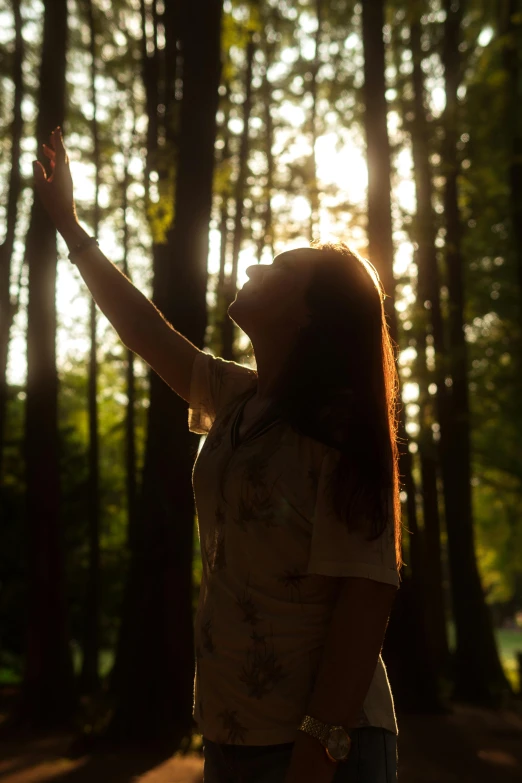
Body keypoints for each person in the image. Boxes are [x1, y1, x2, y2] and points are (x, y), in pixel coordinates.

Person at [34, 128, 402, 782]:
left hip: (319, 745)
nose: (257, 267)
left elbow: (365, 598)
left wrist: (319, 748)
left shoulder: (340, 432)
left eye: (280, 269)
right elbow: (149, 333)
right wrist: (71, 226)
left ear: (312, 318)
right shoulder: (238, 398)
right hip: (235, 731)